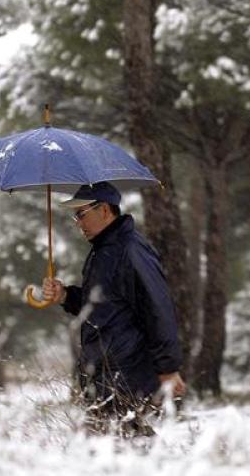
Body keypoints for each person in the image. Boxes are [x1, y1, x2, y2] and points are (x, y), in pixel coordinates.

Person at [41, 181, 186, 436]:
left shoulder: (131, 250)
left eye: (81, 214)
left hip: (128, 376)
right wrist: (64, 294)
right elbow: (98, 305)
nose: (78, 223)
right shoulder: (104, 250)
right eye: (75, 216)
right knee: (113, 453)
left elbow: (158, 309)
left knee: (128, 451)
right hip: (104, 377)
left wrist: (168, 369)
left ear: (105, 210)